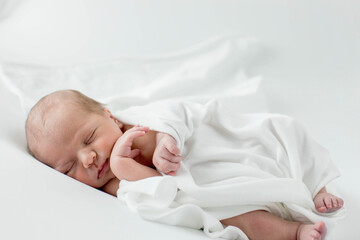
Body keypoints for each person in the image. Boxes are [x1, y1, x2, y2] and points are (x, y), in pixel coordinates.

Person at [25, 89, 344, 240]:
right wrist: (123, 165)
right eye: (69, 168)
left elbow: (176, 113)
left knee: (281, 128)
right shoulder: (111, 183)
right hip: (209, 186)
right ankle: (294, 232)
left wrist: (166, 138)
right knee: (245, 221)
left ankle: (317, 185)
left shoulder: (137, 123)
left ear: (108, 116)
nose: (88, 158)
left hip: (212, 146)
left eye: (88, 138)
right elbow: (158, 192)